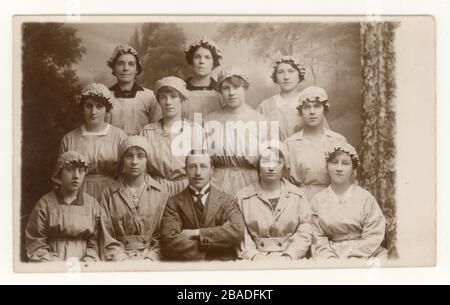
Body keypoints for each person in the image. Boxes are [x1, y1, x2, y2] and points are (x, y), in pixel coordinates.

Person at [160, 150, 245, 261]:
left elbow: (236, 232)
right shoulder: (174, 202)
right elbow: (169, 240)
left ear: (212, 170)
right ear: (186, 171)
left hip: (220, 267)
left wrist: (197, 233)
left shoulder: (226, 200)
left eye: (203, 166)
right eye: (192, 167)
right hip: (188, 265)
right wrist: (216, 248)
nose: (198, 173)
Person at [206, 66, 276, 196]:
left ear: (245, 88)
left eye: (236, 87)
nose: (231, 93)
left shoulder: (262, 122)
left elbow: (271, 163)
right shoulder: (209, 120)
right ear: (220, 91)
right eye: (226, 88)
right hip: (217, 184)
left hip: (251, 184)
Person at [311, 143, 387, 260]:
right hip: (330, 254)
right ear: (327, 167)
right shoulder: (317, 200)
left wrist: (355, 258)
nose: (339, 168)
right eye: (334, 162)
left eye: (345, 163)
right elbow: (317, 236)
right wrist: (329, 258)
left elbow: (374, 233)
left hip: (364, 253)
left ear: (353, 170)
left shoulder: (365, 198)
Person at [99, 136, 169, 262]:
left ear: (148, 160)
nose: (134, 162)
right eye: (129, 156)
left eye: (140, 156)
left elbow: (164, 236)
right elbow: (107, 237)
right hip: (119, 262)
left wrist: (150, 259)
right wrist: (122, 261)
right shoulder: (108, 194)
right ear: (122, 161)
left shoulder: (161, 193)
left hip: (152, 261)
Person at [237, 146, 312, 261]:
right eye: (266, 162)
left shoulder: (297, 195)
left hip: (290, 260)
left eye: (277, 162)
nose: (271, 167)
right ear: (258, 166)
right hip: (254, 261)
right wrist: (254, 256)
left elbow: (305, 229)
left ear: (284, 166)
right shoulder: (243, 197)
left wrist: (290, 255)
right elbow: (240, 232)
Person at [25, 151, 100, 263]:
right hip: (51, 263)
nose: (76, 176)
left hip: (84, 264)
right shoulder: (45, 203)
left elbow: (96, 240)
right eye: (70, 170)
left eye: (81, 171)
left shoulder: (92, 205)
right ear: (59, 173)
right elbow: (35, 241)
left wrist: (88, 261)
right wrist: (54, 263)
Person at [58, 83, 127, 202]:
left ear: (107, 110)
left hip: (113, 196)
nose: (93, 112)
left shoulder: (119, 136)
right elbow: (60, 177)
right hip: (79, 196)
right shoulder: (70, 138)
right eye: (89, 106)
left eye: (99, 106)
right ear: (82, 107)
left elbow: (128, 174)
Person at [140, 76, 206, 197]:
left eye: (173, 96)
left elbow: (202, 166)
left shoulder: (195, 131)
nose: (168, 102)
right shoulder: (148, 132)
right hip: (156, 190)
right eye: (163, 97)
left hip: (188, 189)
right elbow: (142, 169)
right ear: (158, 101)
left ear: (181, 98)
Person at [286, 86, 347, 200]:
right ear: (301, 111)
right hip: (300, 201)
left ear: (324, 109)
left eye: (317, 106)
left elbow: (348, 177)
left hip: (332, 200)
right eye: (307, 107)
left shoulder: (338, 141)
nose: (312, 112)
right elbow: (285, 183)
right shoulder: (291, 144)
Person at [107, 44, 162, 135]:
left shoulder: (150, 97)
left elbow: (156, 131)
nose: (126, 68)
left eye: (131, 64)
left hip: (142, 147)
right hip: (111, 147)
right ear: (113, 68)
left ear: (137, 69)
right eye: (120, 63)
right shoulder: (106, 95)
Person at [258, 56, 307, 140]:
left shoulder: (309, 102)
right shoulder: (265, 106)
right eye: (281, 72)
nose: (286, 77)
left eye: (291, 71)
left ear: (299, 75)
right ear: (276, 77)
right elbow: (257, 139)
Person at [183, 37, 223, 122]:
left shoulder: (221, 94)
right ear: (191, 61)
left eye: (207, 57)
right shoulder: (180, 92)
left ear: (213, 63)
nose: (202, 61)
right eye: (197, 57)